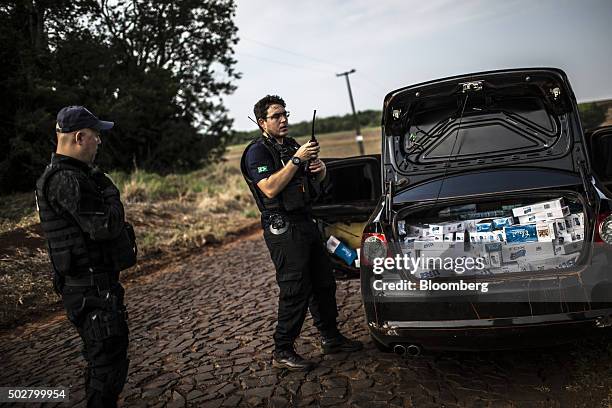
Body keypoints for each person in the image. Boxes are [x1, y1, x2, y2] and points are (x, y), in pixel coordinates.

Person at [240, 95, 363, 371]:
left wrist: (319, 171)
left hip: (306, 221)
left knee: (323, 283)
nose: (283, 119)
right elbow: (270, 188)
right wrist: (297, 160)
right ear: (262, 122)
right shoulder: (258, 152)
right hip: (282, 227)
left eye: (285, 114)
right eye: (276, 116)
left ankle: (331, 338)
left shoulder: (293, 146)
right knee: (295, 289)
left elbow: (311, 183)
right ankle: (282, 350)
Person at [35, 106, 136, 407]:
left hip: (91, 286)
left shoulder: (70, 176)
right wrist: (111, 193)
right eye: (95, 135)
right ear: (79, 137)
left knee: (104, 363)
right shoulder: (67, 179)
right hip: (90, 290)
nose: (99, 142)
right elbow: (105, 226)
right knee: (107, 369)